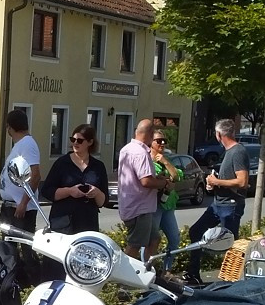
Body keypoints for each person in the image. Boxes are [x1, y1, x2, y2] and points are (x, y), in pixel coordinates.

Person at [184, 118, 250, 285]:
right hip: (218, 204)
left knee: (230, 244)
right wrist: (213, 182)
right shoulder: (227, 152)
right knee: (196, 232)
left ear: (219, 134)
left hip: (231, 205)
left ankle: (231, 282)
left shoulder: (237, 151)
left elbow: (242, 181)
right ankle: (193, 274)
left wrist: (217, 182)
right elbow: (229, 179)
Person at [39, 124, 108, 233]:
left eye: (80, 140)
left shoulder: (98, 166)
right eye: (73, 139)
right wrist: (70, 191)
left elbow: (103, 202)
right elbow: (47, 191)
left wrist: (96, 192)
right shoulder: (62, 163)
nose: (75, 143)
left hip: (88, 223)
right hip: (63, 222)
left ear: (90, 142)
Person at [117, 118, 169, 258]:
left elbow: (136, 177)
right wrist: (163, 183)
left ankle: (145, 271)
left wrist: (156, 179)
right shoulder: (140, 153)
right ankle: (123, 276)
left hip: (134, 206)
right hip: (139, 209)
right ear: (151, 134)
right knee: (135, 245)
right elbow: (145, 181)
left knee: (154, 239)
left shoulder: (126, 149)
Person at [0, 109, 41, 231]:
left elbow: (36, 176)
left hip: (21, 208)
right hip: (10, 205)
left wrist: (23, 204)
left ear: (9, 127)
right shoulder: (20, 144)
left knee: (24, 245)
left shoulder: (28, 144)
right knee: (7, 247)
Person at [151, 131, 184, 276]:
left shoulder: (167, 159)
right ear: (151, 142)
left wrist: (165, 161)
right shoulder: (147, 160)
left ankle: (166, 270)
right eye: (159, 141)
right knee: (151, 240)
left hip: (168, 206)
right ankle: (145, 271)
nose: (162, 143)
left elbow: (176, 177)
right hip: (154, 206)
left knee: (174, 239)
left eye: (164, 141)